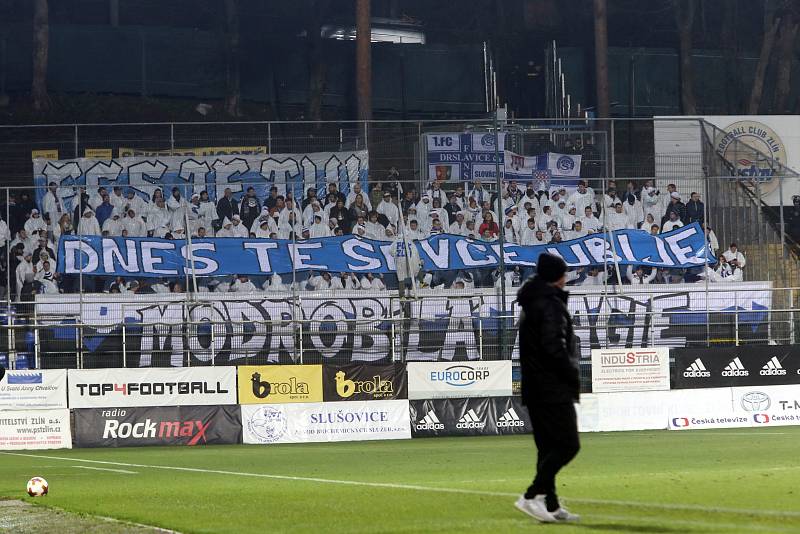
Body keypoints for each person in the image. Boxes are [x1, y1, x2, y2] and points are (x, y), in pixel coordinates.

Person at [514, 253, 581, 523]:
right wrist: (570, 374)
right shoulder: (549, 304)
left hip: (536, 384)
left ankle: (550, 505)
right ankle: (531, 496)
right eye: (564, 274)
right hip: (552, 386)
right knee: (568, 445)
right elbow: (554, 346)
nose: (566, 279)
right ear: (557, 277)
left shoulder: (531, 302)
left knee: (547, 447)